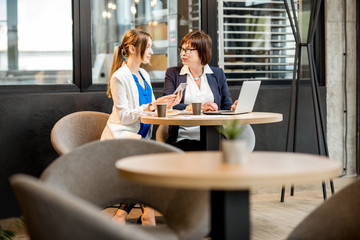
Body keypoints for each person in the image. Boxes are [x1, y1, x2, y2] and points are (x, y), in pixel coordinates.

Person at [101, 29, 181, 225]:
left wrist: (166, 104)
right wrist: (153, 105)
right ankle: (148, 213)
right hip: (121, 137)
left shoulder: (144, 74)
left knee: (153, 161)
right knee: (150, 163)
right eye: (149, 47)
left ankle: (123, 214)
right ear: (132, 48)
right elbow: (125, 117)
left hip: (140, 138)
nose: (152, 51)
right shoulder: (119, 77)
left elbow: (150, 109)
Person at [160, 30, 255, 151]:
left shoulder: (217, 74)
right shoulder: (173, 74)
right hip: (183, 137)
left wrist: (233, 108)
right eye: (182, 49)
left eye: (188, 50)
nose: (183, 54)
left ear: (202, 52)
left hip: (214, 137)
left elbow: (226, 106)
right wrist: (198, 108)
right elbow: (167, 106)